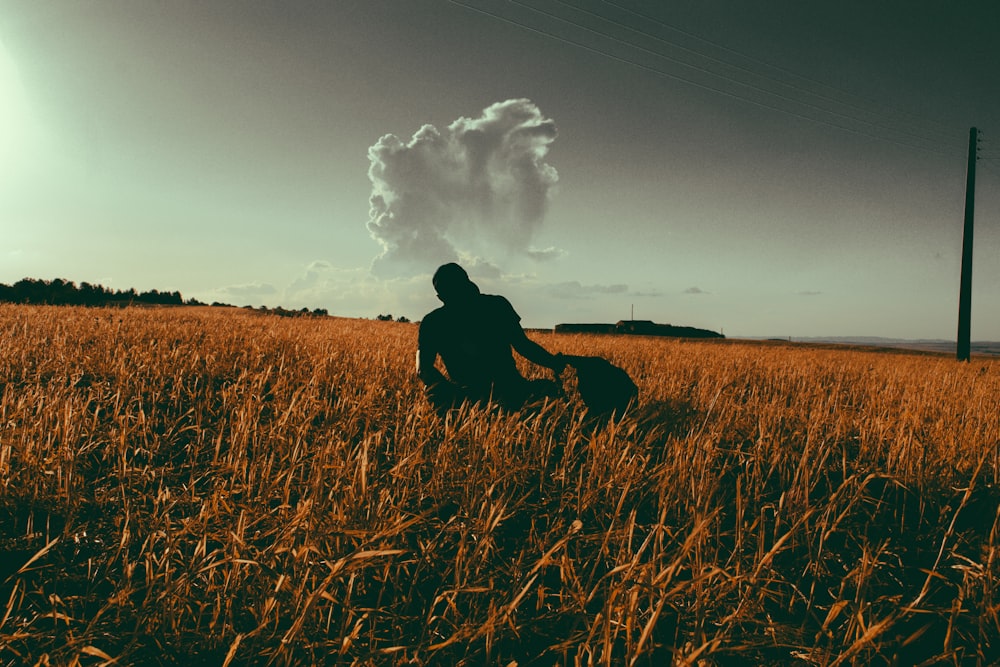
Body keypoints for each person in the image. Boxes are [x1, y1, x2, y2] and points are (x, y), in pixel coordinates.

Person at [417, 263, 565, 412]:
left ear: (440, 297)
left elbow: (422, 369)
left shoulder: (433, 322)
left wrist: (452, 394)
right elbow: (523, 345)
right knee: (547, 392)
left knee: (547, 391)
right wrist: (553, 362)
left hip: (473, 396)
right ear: (468, 283)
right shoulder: (496, 305)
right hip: (504, 390)